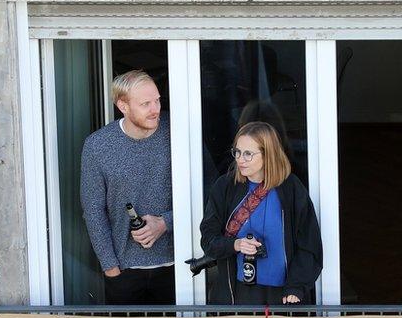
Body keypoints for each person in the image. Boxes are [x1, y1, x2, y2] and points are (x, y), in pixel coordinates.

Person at [200, 121, 322, 305]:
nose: (240, 159)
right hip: (238, 293)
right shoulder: (225, 187)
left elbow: (309, 244)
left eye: (248, 154)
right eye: (237, 152)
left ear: (268, 155)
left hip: (284, 295)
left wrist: (297, 286)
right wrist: (236, 244)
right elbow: (208, 240)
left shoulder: (291, 189)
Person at [80, 70, 175, 305]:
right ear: (123, 105)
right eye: (145, 104)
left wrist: (165, 222)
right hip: (124, 271)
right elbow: (93, 210)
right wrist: (111, 268)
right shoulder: (98, 145)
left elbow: (206, 193)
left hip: (178, 266)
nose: (155, 109)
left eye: (157, 100)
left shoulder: (177, 132)